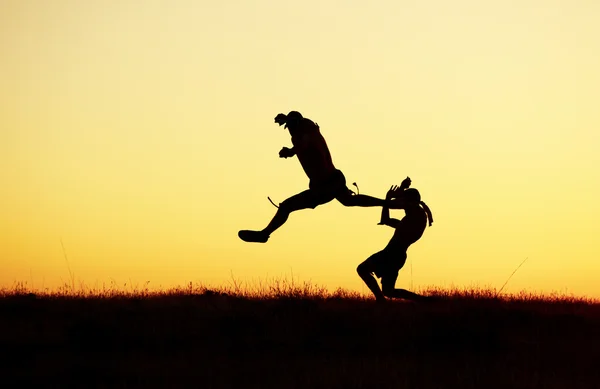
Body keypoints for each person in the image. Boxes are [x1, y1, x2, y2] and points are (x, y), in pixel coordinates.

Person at [238, 110, 396, 243]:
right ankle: (388, 203)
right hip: (333, 180)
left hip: (325, 187)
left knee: (287, 206)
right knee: (349, 201)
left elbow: (305, 143)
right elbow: (302, 144)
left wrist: (290, 150)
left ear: (298, 124)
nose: (290, 131)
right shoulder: (303, 134)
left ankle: (264, 234)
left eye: (292, 127)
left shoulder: (307, 134)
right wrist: (291, 151)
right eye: (288, 128)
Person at [357, 177, 433, 302]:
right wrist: (394, 194)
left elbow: (392, 204)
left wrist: (390, 196)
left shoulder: (416, 215)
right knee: (388, 291)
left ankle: (381, 301)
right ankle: (425, 301)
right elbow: (386, 220)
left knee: (362, 269)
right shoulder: (409, 220)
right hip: (396, 255)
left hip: (392, 253)